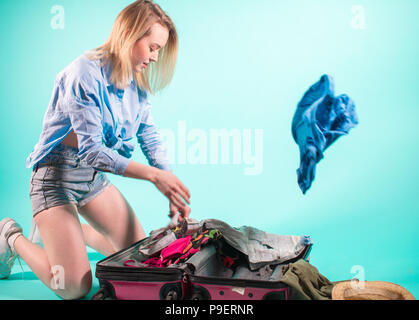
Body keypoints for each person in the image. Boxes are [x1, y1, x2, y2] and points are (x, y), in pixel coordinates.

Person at [0, 0, 191, 300]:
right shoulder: (83, 73)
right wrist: (154, 176)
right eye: (152, 47)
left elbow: (149, 136)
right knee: (74, 286)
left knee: (140, 262)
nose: (155, 57)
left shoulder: (136, 84)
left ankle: (67, 234)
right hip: (55, 180)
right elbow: (92, 151)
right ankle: (11, 236)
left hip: (91, 180)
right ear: (130, 34)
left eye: (159, 50)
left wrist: (171, 186)